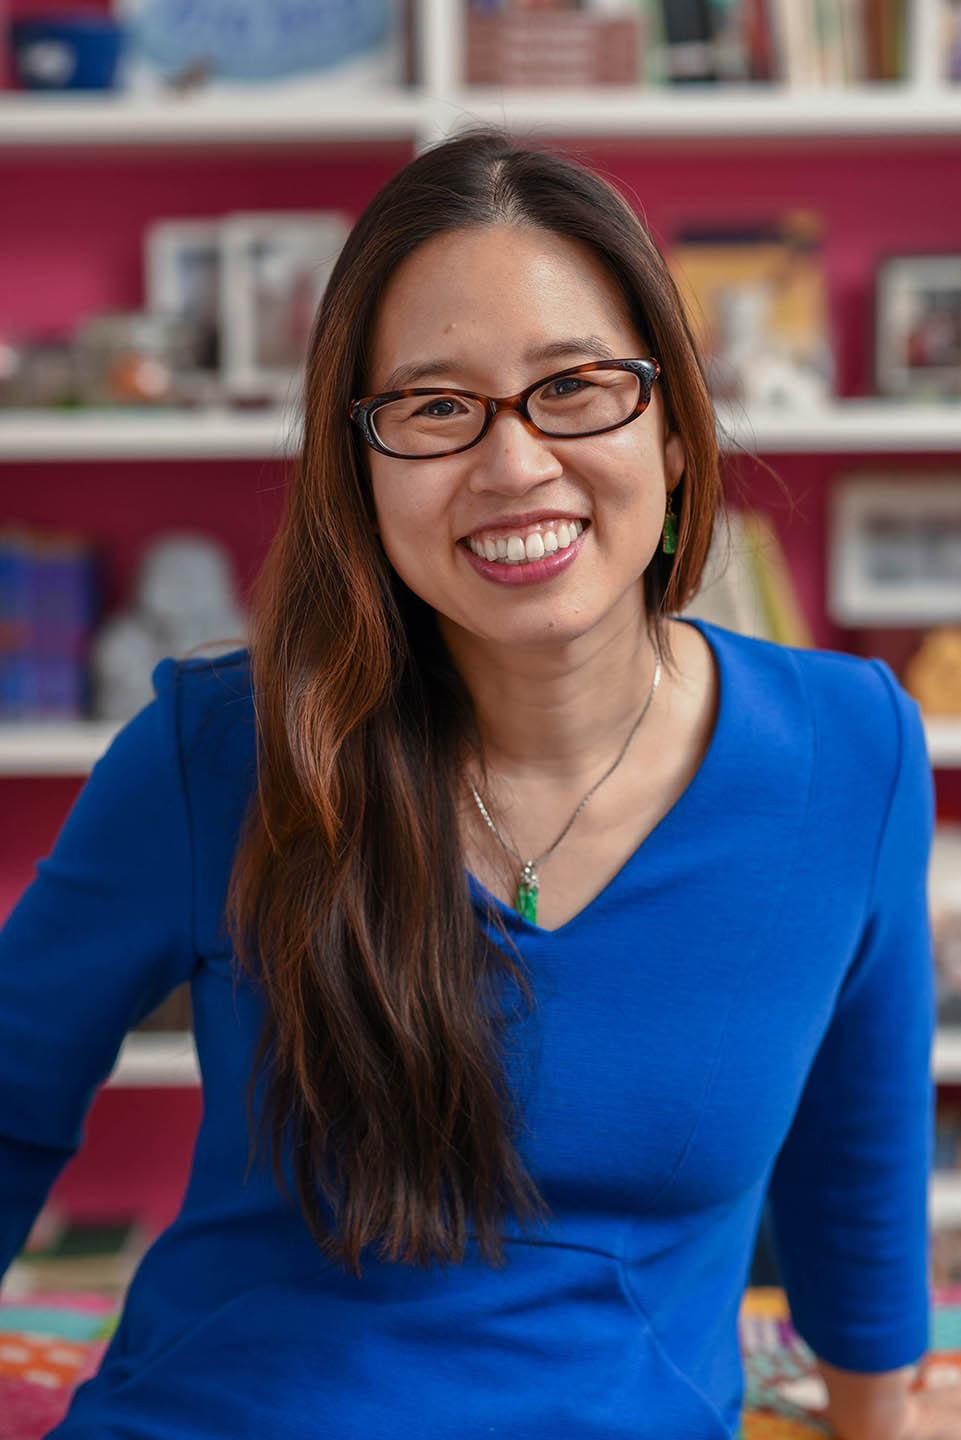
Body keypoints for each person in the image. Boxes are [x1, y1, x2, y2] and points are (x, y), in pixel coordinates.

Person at [0, 126, 952, 1440]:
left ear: (673, 426)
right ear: (362, 467)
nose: (512, 465)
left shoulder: (854, 753)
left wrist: (877, 1422)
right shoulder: (218, 747)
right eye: (434, 408)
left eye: (575, 388)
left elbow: (856, 1173)